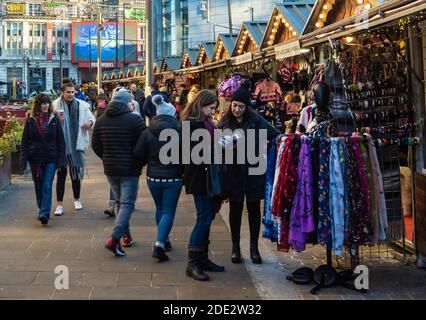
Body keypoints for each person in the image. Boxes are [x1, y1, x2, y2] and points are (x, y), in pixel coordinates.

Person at [219, 86, 280, 264]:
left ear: (247, 107)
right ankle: (235, 247)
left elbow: (275, 134)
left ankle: (254, 247)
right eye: (235, 105)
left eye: (241, 106)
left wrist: (282, 140)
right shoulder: (224, 122)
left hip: (254, 170)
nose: (237, 110)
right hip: (234, 172)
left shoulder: (256, 120)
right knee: (235, 208)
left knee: (254, 208)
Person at [92, 90, 146, 256]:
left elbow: (95, 145)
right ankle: (114, 238)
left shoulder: (100, 121)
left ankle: (126, 235)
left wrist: (106, 157)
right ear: (124, 102)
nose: (133, 104)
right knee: (127, 203)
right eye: (130, 101)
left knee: (120, 203)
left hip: (110, 169)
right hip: (129, 169)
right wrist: (139, 161)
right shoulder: (135, 120)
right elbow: (144, 144)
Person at [180, 89, 225, 281]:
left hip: (209, 176)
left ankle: (203, 259)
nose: (213, 111)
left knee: (208, 217)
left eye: (215, 108)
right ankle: (193, 263)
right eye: (210, 107)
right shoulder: (191, 124)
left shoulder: (205, 122)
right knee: (203, 218)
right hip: (200, 177)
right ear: (200, 104)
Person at [134, 95, 181, 262]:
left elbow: (139, 153)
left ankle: (164, 238)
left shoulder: (148, 131)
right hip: (173, 177)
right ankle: (160, 243)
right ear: (172, 115)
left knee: (160, 208)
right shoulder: (180, 130)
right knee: (168, 211)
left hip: (152, 177)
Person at [20, 94, 66, 226]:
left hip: (51, 158)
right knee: (38, 186)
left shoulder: (54, 119)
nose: (45, 106)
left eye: (47, 103)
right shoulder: (30, 120)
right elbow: (24, 142)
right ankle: (42, 208)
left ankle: (44, 213)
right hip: (35, 159)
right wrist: (23, 160)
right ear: (38, 105)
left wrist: (61, 160)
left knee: (46, 185)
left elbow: (60, 141)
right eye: (43, 103)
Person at [52, 81, 95, 216]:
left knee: (75, 174)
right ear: (62, 93)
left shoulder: (81, 105)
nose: (71, 94)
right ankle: (59, 204)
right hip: (62, 145)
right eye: (68, 92)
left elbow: (92, 118)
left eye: (72, 92)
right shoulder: (55, 106)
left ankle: (77, 199)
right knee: (61, 174)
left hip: (76, 144)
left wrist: (89, 123)